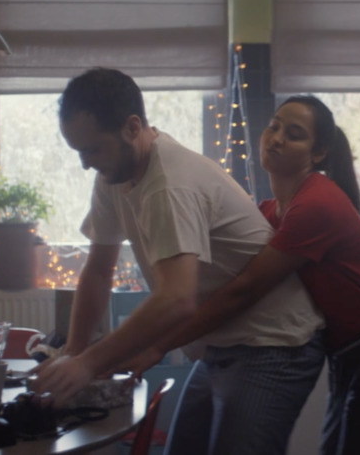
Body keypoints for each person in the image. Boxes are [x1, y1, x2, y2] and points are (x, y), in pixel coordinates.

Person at [29, 68, 326, 455]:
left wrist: (88, 365)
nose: (86, 163)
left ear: (132, 127)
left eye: (93, 150)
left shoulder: (169, 184)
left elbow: (176, 298)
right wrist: (74, 352)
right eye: (79, 151)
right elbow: (99, 270)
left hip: (274, 344)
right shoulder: (112, 177)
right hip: (221, 342)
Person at [118, 95, 360, 455]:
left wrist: (160, 344)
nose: (277, 138)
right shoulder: (269, 212)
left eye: (294, 134)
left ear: (317, 154)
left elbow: (246, 289)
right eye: (274, 126)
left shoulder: (317, 204)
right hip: (351, 353)